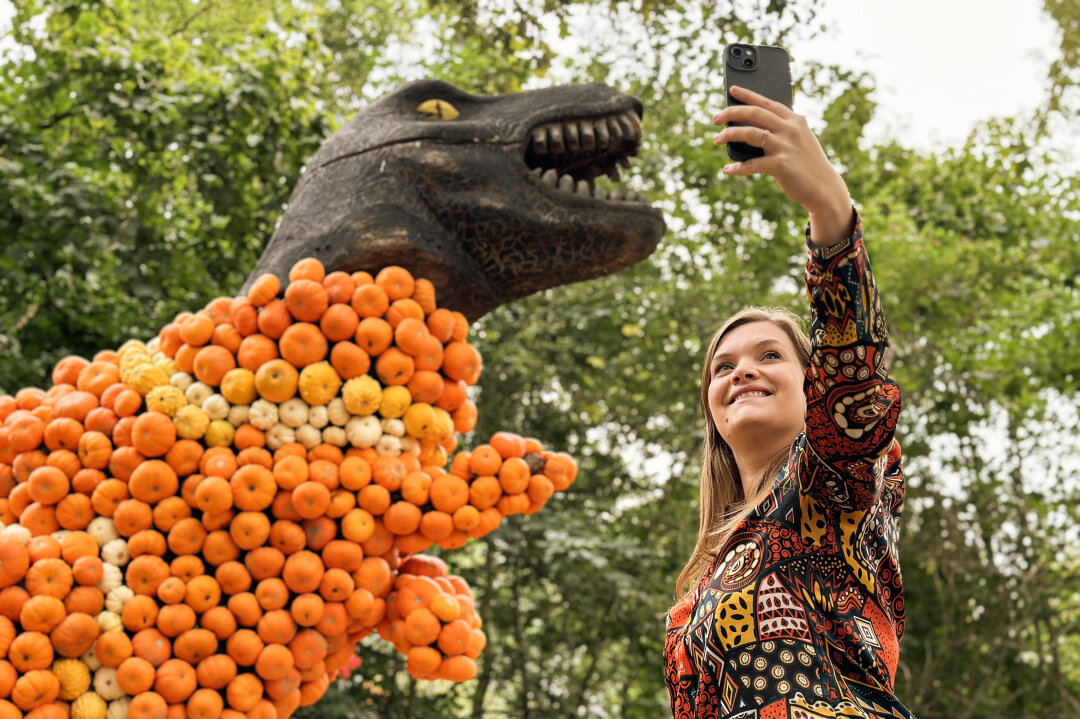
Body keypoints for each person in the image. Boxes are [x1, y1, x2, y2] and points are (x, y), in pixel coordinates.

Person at [664, 85, 913, 719]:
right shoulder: (700, 588)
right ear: (713, 413)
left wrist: (828, 207)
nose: (742, 371)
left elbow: (852, 374)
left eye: (769, 356)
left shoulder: (835, 482)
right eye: (723, 367)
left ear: (813, 387)